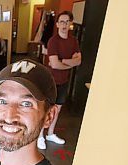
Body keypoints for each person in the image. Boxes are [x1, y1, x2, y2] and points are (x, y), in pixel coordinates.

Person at [37, 10, 81, 150]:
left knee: (57, 109)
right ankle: (40, 136)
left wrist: (61, 61)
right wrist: (69, 63)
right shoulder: (53, 41)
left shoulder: (73, 41)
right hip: (51, 81)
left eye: (67, 21)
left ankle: (50, 133)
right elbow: (53, 64)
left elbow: (78, 61)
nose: (64, 24)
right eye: (61, 21)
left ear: (70, 24)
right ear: (57, 24)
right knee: (47, 109)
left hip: (64, 80)